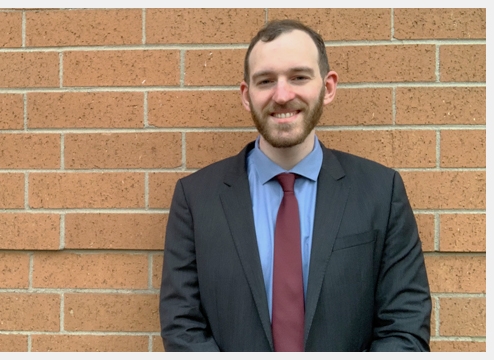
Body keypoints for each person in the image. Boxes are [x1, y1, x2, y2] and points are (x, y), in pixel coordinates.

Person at [159, 19, 431, 352]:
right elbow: (181, 324)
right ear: (247, 95)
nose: (283, 94)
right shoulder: (196, 198)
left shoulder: (380, 191)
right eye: (266, 80)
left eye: (299, 77)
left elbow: (404, 325)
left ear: (327, 87)